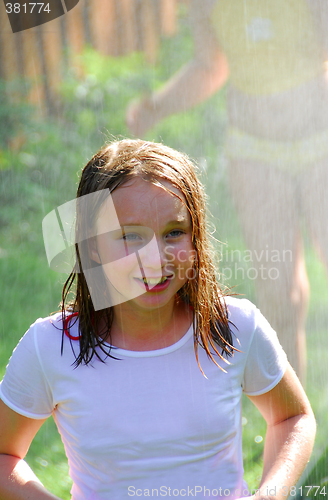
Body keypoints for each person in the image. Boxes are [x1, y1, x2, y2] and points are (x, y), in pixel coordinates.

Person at [0, 139, 316, 499]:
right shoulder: (51, 346)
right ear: (91, 247)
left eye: (174, 233)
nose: (154, 258)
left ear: (196, 238)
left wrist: (269, 494)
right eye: (130, 236)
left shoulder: (233, 327)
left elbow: (293, 419)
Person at [126, 0, 328, 385]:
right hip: (254, 147)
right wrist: (156, 106)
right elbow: (210, 65)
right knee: (278, 289)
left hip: (322, 136)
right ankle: (295, 419)